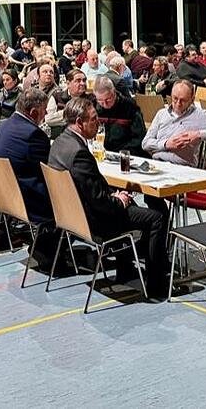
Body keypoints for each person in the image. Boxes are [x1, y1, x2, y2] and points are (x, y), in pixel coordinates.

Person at [49, 98, 171, 297]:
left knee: (125, 200)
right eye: (94, 119)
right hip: (95, 222)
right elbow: (101, 202)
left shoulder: (59, 143)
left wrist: (113, 196)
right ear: (80, 122)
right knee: (156, 217)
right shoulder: (79, 153)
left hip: (71, 217)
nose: (99, 123)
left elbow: (91, 192)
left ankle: (126, 268)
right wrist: (118, 200)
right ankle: (157, 284)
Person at [0, 88, 60, 268]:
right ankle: (48, 249)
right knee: (73, 195)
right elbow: (51, 171)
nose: (45, 115)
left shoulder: (2, 126)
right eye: (44, 111)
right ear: (34, 112)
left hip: (4, 196)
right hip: (27, 200)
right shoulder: (34, 135)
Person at [143, 80, 206, 166]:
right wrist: (166, 144)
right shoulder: (162, 113)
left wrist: (199, 135)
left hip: (182, 168)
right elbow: (145, 144)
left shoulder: (200, 115)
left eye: (183, 100)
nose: (178, 104)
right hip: (157, 164)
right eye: (175, 98)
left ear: (192, 100)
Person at [93, 76, 146, 156]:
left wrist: (121, 153)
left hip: (124, 154)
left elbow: (139, 138)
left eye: (108, 99)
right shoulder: (93, 106)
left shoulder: (129, 107)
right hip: (99, 152)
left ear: (114, 92)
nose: (104, 104)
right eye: (100, 100)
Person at [45, 69, 90, 133]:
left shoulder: (90, 99)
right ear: (68, 83)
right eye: (78, 81)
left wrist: (60, 118)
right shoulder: (56, 97)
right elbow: (48, 119)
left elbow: (87, 121)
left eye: (84, 80)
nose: (82, 83)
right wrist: (71, 113)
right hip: (59, 136)